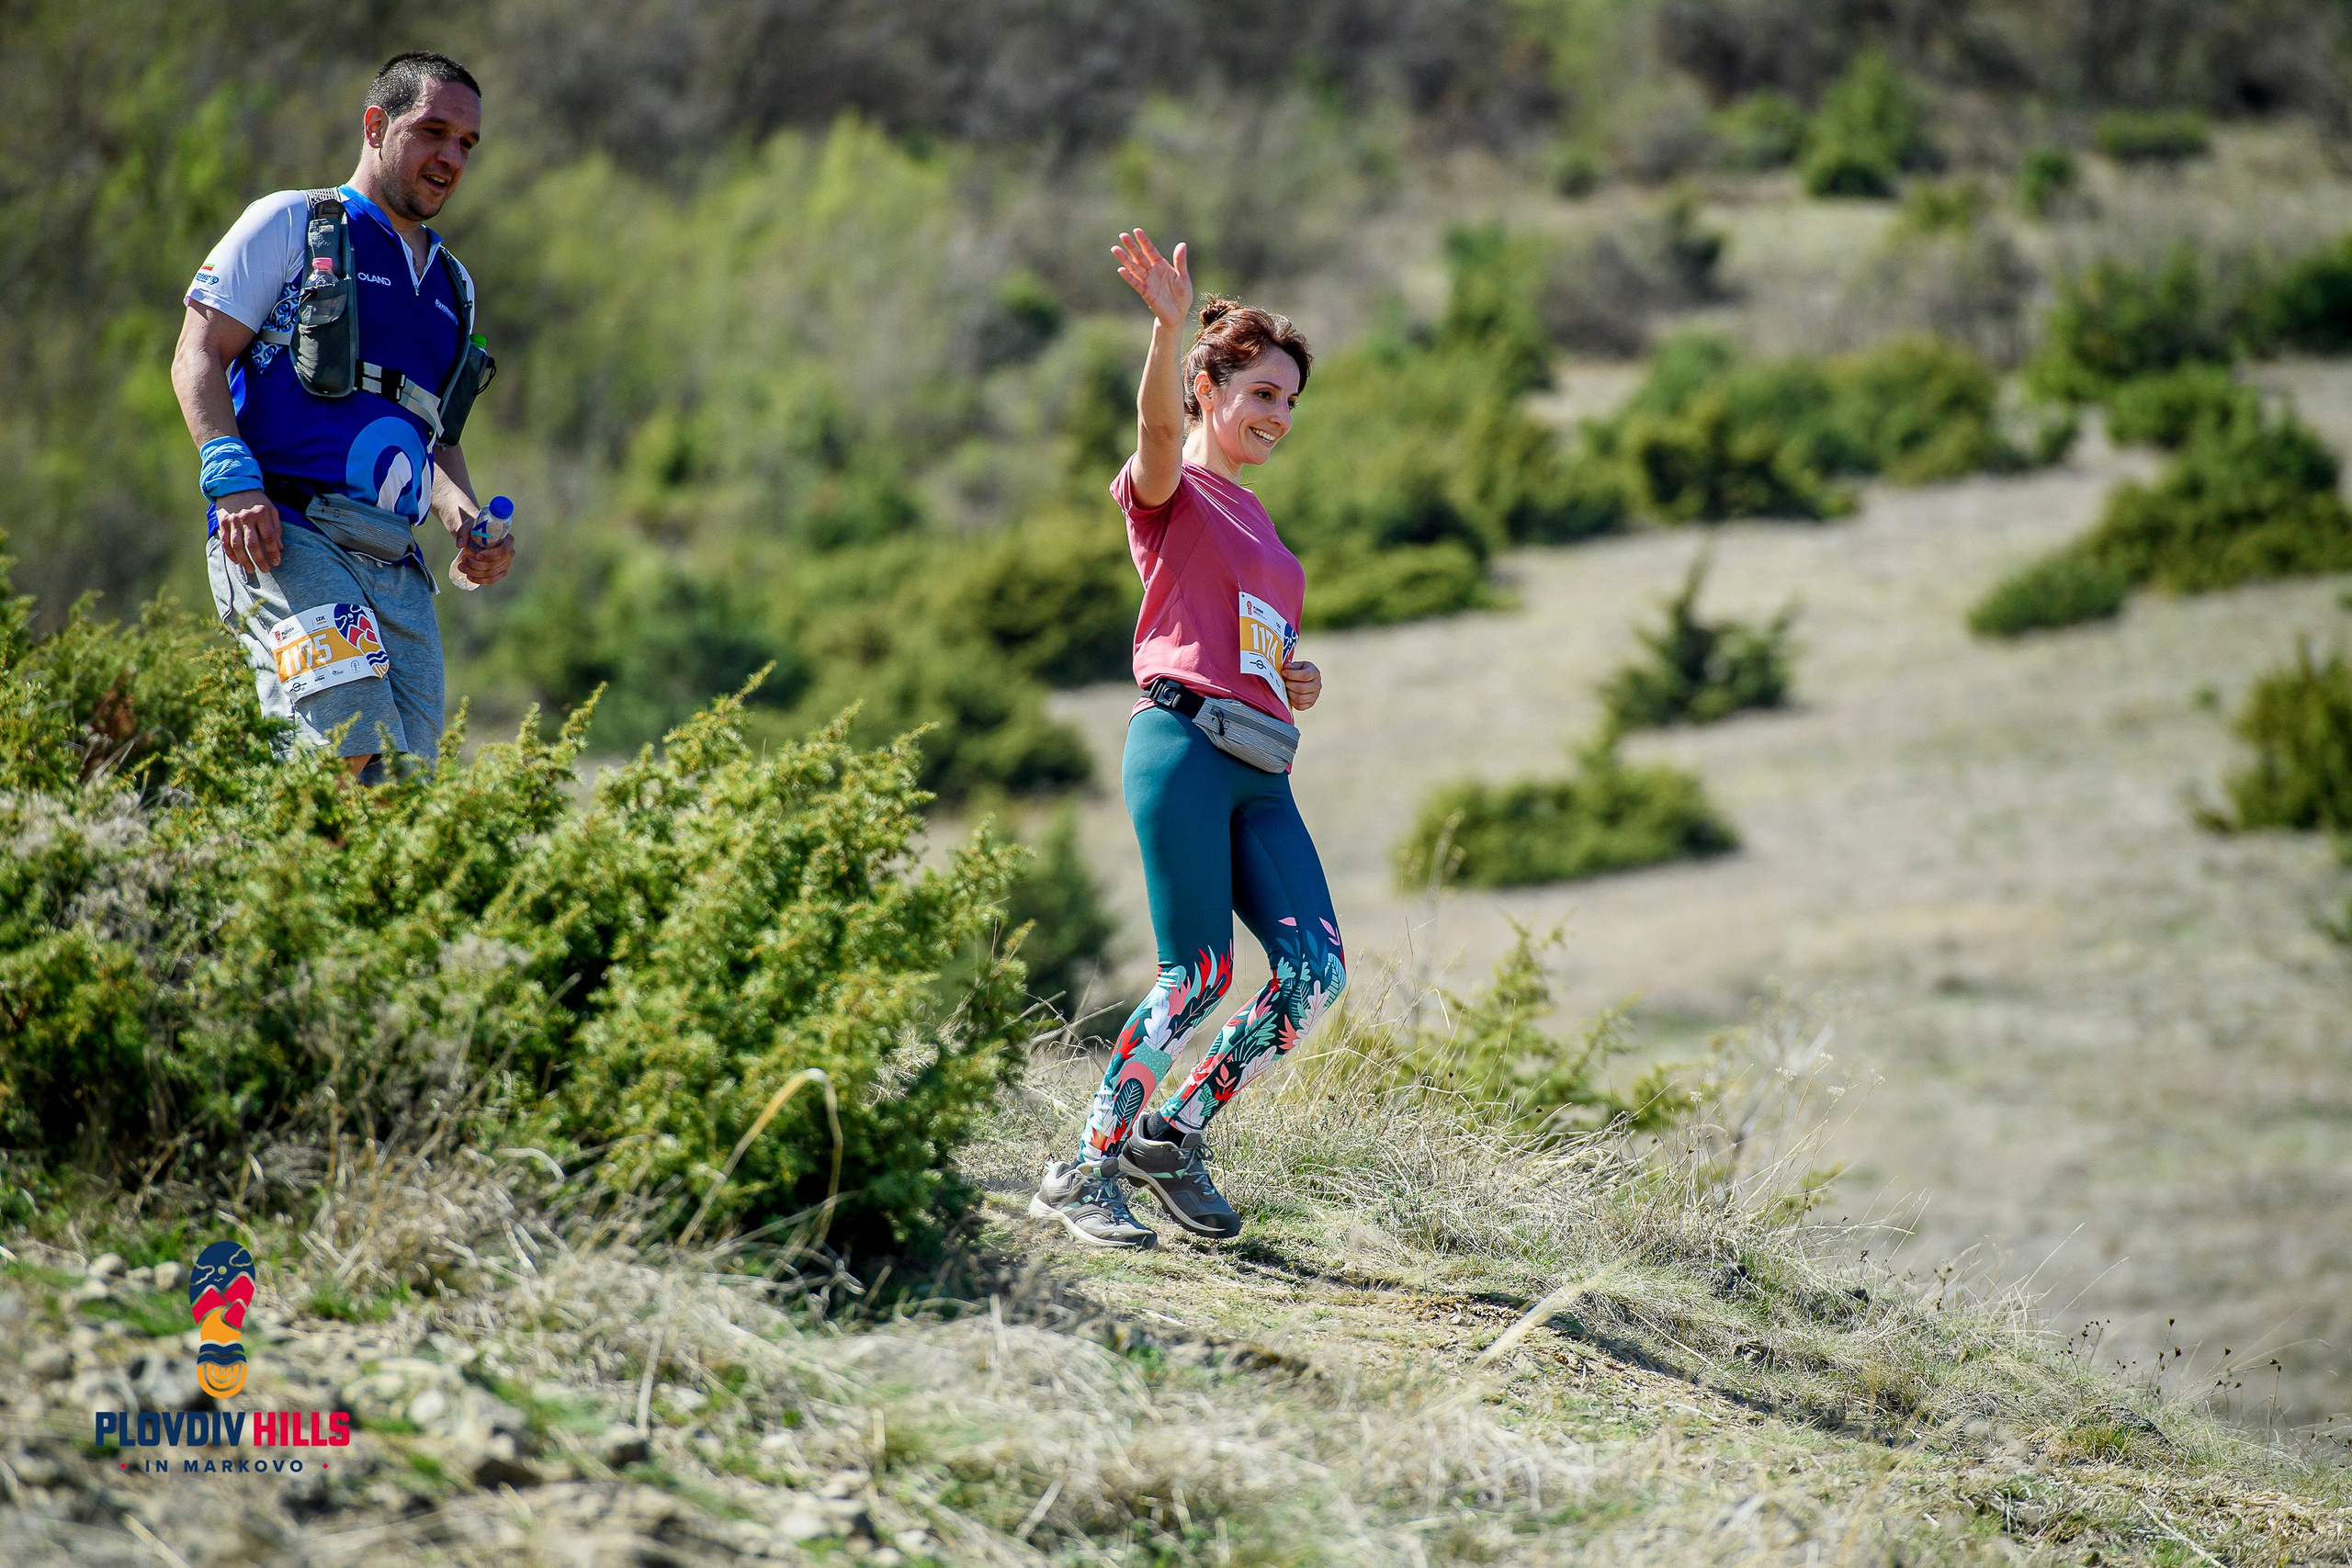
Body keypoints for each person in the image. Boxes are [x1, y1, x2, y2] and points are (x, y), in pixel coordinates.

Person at [1029, 229, 1347, 1250]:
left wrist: (1296, 676)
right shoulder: (1170, 490)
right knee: (1199, 974)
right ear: (1210, 390)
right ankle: (1082, 1174)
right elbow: (1156, 433)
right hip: (1181, 746)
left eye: (1291, 402)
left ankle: (1168, 1137)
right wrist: (1167, 330)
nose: (1280, 416)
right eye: (1261, 393)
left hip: (1262, 764)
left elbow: (1258, 647)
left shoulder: (1274, 542)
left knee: (1315, 977)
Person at [171, 51, 513, 784]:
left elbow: (436, 441)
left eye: (467, 144)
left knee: (405, 804)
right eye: (433, 132)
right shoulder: (291, 222)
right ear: (375, 125)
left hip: (397, 567)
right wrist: (232, 483)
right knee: (353, 763)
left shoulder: (456, 286)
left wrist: (466, 521)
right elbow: (196, 353)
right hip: (290, 535)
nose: (451, 157)